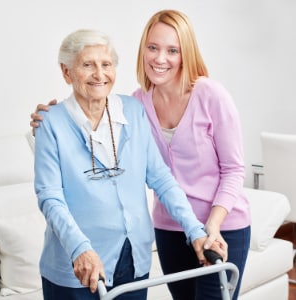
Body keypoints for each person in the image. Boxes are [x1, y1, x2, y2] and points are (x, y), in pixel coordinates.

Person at [30, 9, 250, 300]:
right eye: (87, 65)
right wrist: (79, 247)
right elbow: (50, 197)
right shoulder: (64, 120)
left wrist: (198, 230)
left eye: (106, 64)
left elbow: (161, 177)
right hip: (83, 263)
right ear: (66, 72)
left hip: (158, 249)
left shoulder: (138, 110)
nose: (99, 74)